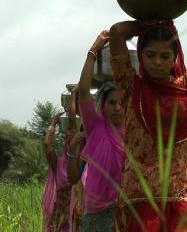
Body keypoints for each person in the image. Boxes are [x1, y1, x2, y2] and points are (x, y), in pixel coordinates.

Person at [109, 0, 187, 230]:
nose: (157, 62)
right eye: (150, 54)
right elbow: (117, 32)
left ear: (175, 57)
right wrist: (149, 26)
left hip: (180, 204)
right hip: (138, 204)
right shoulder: (129, 86)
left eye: (165, 56)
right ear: (140, 56)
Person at [76, 30, 126, 232]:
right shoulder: (95, 127)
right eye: (112, 103)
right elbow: (84, 92)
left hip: (124, 209)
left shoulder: (134, 131)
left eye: (122, 103)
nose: (117, 108)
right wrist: (93, 51)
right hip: (96, 213)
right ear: (103, 105)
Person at [42, 88, 81, 231]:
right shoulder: (81, 163)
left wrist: (53, 123)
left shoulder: (58, 166)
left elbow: (47, 144)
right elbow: (72, 121)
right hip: (77, 212)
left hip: (61, 216)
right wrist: (74, 94)